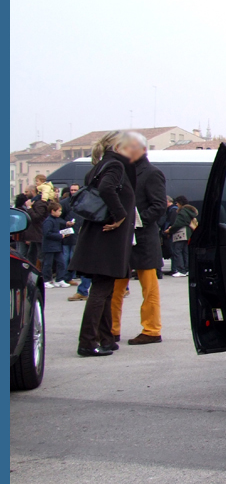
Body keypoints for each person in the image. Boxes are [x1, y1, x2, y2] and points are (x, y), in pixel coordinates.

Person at [68, 131, 144, 357]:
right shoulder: (115, 166)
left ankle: (106, 338)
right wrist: (120, 215)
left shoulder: (101, 165)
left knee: (106, 289)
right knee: (101, 290)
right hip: (107, 238)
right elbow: (106, 189)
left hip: (98, 236)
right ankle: (87, 342)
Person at [110, 134, 167, 346]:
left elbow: (159, 205)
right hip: (123, 239)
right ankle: (112, 328)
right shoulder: (122, 172)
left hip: (143, 239)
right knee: (115, 286)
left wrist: (135, 221)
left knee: (149, 288)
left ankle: (152, 329)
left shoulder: (152, 173)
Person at [40, 201, 71, 288]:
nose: (60, 212)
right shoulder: (48, 221)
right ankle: (46, 280)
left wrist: (64, 233)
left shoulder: (57, 220)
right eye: (59, 211)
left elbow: (57, 229)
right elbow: (47, 233)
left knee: (61, 263)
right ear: (52, 211)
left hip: (57, 245)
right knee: (48, 264)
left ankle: (60, 279)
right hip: (49, 246)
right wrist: (60, 235)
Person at [168, 196, 198, 277]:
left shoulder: (182, 211)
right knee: (186, 252)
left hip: (181, 234)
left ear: (181, 203)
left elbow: (178, 223)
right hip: (188, 234)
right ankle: (187, 269)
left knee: (177, 251)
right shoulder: (189, 211)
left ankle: (181, 270)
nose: (176, 204)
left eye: (177, 202)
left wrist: (170, 230)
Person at [23, 183, 49, 266]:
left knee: (40, 256)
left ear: (32, 191)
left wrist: (29, 208)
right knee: (31, 255)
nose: (25, 193)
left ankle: (45, 276)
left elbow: (37, 218)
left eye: (27, 191)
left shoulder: (39, 203)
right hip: (35, 235)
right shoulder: (35, 202)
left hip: (39, 233)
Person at [160, 196, 178, 277]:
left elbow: (171, 222)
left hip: (170, 233)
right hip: (170, 233)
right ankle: (174, 269)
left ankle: (175, 269)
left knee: (173, 251)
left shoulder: (172, 210)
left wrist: (168, 232)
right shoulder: (172, 209)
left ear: (167, 201)